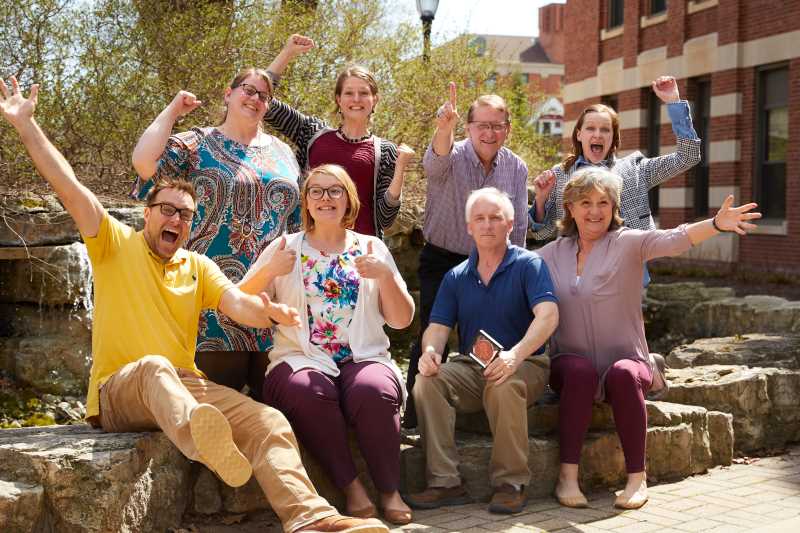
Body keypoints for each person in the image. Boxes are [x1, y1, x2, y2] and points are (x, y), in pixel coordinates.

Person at [0, 76, 389, 533]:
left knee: (268, 421)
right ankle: (200, 438)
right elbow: (68, 186)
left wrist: (270, 312)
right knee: (154, 368)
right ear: (147, 212)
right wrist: (26, 126)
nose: (176, 219)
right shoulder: (112, 244)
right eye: (166, 209)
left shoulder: (198, 265)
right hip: (119, 392)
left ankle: (311, 519)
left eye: (185, 214)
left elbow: (237, 304)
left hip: (186, 387)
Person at [536, 167, 760, 510]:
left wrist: (715, 224)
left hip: (624, 359)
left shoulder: (628, 242)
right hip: (570, 363)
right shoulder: (551, 253)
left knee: (624, 373)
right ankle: (567, 477)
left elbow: (675, 238)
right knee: (579, 372)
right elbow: (512, 271)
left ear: (614, 207)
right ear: (569, 207)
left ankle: (637, 480)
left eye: (603, 203)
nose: (594, 211)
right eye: (585, 202)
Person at [240, 164, 415, 525]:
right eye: (316, 191)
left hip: (363, 356)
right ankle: (351, 487)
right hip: (300, 358)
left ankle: (389, 489)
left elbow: (401, 320)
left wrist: (384, 276)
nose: (325, 198)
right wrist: (269, 272)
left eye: (334, 190)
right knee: (307, 390)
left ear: (348, 198)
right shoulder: (285, 247)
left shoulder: (371, 247)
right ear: (305, 201)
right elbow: (238, 300)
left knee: (374, 389)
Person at [131, 67, 300, 402]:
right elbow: (144, 163)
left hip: (271, 303)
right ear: (228, 93)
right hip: (209, 305)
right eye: (248, 90)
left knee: (277, 411)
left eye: (264, 96)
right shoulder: (196, 144)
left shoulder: (284, 153)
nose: (255, 99)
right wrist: (174, 110)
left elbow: (296, 225)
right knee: (210, 414)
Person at [405, 188, 559, 515]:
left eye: (495, 218)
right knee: (428, 381)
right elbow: (437, 328)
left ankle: (510, 483)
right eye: (480, 219)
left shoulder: (530, 265)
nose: (487, 225)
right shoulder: (455, 276)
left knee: (503, 384)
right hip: (472, 367)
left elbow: (549, 316)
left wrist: (515, 355)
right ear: (468, 227)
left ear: (510, 224)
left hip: (527, 363)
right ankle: (445, 482)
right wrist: (430, 352)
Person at [403, 82, 530, 429]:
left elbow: (517, 223)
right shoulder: (453, 153)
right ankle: (414, 418)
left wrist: (516, 270)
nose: (489, 132)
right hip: (443, 258)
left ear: (507, 129)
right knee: (433, 333)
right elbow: (433, 165)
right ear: (469, 127)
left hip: (493, 261)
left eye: (497, 125)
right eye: (481, 125)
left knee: (491, 336)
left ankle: (483, 414)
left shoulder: (516, 167)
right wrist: (443, 128)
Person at [263, 34, 415, 240]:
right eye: (349, 93)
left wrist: (400, 169)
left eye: (363, 93)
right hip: (309, 248)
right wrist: (286, 53)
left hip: (359, 256)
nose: (356, 99)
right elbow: (265, 103)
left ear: (375, 100)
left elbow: (385, 218)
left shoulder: (385, 150)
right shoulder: (312, 133)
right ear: (338, 99)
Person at [529, 76, 701, 247]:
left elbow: (688, 156)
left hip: (630, 269)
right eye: (590, 128)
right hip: (578, 270)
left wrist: (673, 102)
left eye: (605, 130)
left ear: (614, 138)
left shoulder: (636, 169)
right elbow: (541, 233)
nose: (597, 134)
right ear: (579, 135)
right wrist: (541, 199)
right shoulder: (560, 175)